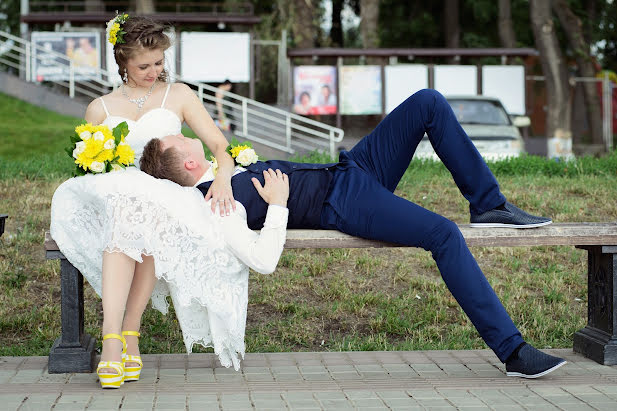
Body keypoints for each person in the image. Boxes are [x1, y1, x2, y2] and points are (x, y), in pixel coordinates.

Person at [140, 89, 566, 379]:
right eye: (178, 139)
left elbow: (221, 160)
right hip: (343, 202)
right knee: (443, 234)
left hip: (352, 169)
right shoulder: (217, 205)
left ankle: (488, 204)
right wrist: (278, 205)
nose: (186, 134)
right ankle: (512, 351)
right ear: (188, 165)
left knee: (428, 103)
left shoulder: (221, 175)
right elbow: (263, 259)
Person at [50, 14, 243, 388]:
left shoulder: (180, 95)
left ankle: (128, 332)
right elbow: (89, 167)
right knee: (127, 207)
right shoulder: (99, 109)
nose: (155, 71)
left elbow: (219, 145)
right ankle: (114, 338)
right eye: (144, 65)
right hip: (116, 197)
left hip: (164, 198)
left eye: (159, 63)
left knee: (146, 212)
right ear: (123, 62)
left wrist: (223, 175)